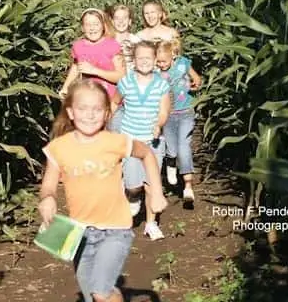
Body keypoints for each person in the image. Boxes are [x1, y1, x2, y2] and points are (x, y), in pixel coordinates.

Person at [38, 79, 167, 302]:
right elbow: (48, 184)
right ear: (70, 112)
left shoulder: (115, 142)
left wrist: (156, 191)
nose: (90, 115)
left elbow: (146, 153)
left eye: (97, 109)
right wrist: (48, 199)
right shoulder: (59, 148)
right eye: (83, 109)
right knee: (93, 296)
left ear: (107, 113)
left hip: (115, 229)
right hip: (80, 233)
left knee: (100, 292)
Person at [110, 41, 171, 241]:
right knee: (134, 185)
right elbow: (115, 102)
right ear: (134, 61)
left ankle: (151, 224)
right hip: (131, 141)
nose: (144, 61)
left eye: (148, 58)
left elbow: (164, 111)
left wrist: (158, 124)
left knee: (151, 185)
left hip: (153, 142)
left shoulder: (162, 85)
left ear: (155, 60)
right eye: (140, 58)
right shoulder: (126, 82)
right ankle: (132, 195)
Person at [155, 39, 202, 204]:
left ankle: (188, 186)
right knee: (172, 149)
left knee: (184, 146)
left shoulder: (183, 64)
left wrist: (195, 83)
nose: (160, 64)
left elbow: (197, 79)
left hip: (186, 113)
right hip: (168, 115)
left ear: (173, 56)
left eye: (163, 61)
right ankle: (170, 160)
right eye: (158, 61)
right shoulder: (156, 73)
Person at [58, 8, 125, 107]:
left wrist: (94, 70)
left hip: (111, 102)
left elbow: (121, 77)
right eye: (88, 25)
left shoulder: (113, 45)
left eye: (96, 24)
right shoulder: (78, 46)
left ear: (103, 26)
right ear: (82, 28)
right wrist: (65, 87)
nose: (92, 28)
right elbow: (76, 67)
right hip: (87, 100)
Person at [105, 4, 141, 132]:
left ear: (130, 21)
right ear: (111, 21)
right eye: (117, 18)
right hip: (112, 86)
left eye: (124, 18)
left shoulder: (136, 40)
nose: (121, 22)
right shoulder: (107, 41)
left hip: (133, 88)